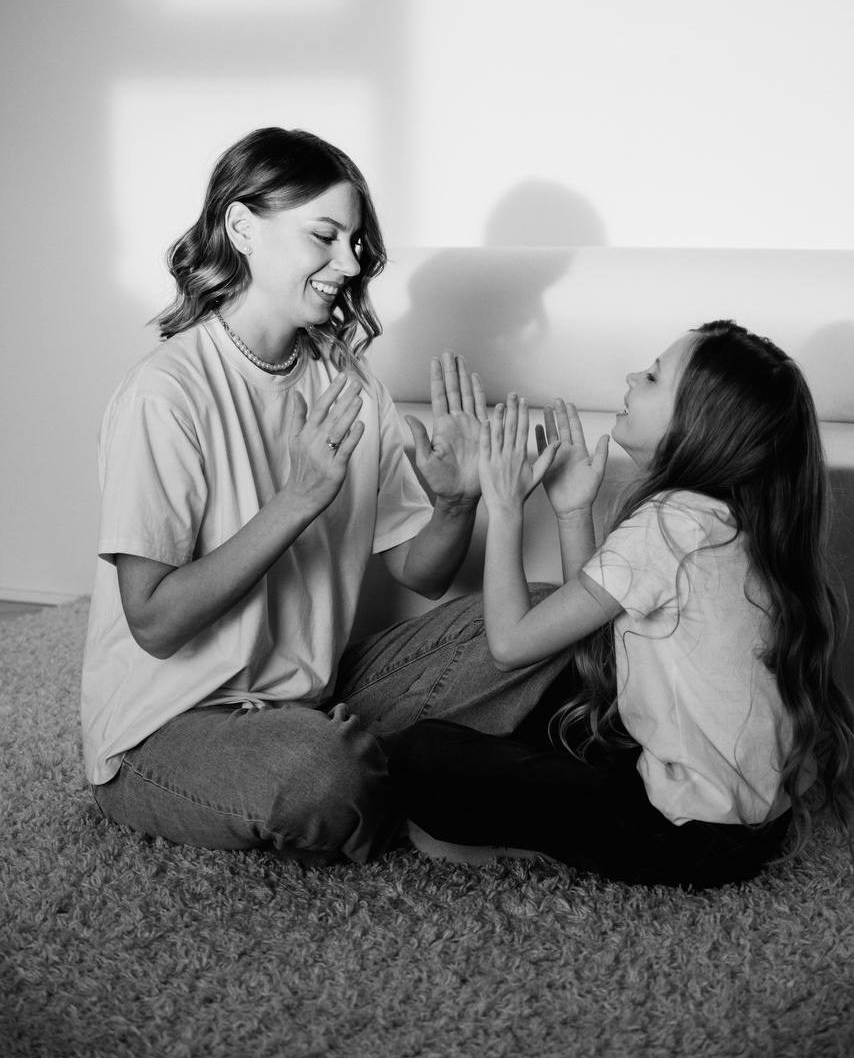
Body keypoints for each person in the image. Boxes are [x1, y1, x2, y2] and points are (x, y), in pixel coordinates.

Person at [81, 126, 569, 864]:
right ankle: (405, 778)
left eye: (356, 242)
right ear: (242, 227)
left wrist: (456, 503)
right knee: (318, 773)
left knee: (542, 614)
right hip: (169, 728)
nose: (348, 263)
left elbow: (421, 572)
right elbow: (153, 622)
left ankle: (384, 759)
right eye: (325, 236)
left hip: (316, 695)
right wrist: (297, 498)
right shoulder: (167, 393)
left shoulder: (346, 383)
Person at [388, 321, 854, 888]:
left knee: (420, 755)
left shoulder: (670, 522)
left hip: (686, 835)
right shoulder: (724, 519)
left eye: (655, 376)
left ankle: (527, 846)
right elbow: (594, 642)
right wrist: (571, 513)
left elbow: (510, 646)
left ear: (699, 423)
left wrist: (505, 506)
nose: (635, 375)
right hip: (750, 827)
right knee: (566, 697)